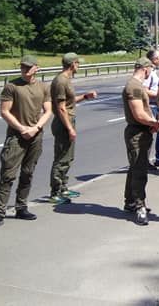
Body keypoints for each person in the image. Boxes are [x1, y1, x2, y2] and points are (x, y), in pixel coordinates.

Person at [0, 56, 53, 230]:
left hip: (36, 135)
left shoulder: (43, 87)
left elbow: (48, 111)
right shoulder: (12, 86)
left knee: (28, 173)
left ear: (36, 68)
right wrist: (22, 128)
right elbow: (4, 111)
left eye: (28, 67)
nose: (24, 70)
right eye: (23, 67)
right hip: (17, 136)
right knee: (8, 175)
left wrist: (36, 127)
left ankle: (21, 207)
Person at [48, 53, 98, 204]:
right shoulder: (61, 81)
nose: (79, 66)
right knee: (61, 159)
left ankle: (63, 188)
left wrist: (85, 96)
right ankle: (55, 192)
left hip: (68, 121)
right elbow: (61, 108)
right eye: (78, 63)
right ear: (73, 64)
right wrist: (70, 128)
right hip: (63, 123)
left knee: (68, 158)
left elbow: (69, 102)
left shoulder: (66, 80)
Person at [122, 57, 159, 225]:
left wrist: (151, 123)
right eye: (150, 70)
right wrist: (155, 123)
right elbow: (139, 114)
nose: (150, 73)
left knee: (135, 167)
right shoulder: (134, 87)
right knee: (139, 171)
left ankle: (130, 201)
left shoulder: (137, 86)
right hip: (137, 133)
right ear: (146, 69)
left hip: (142, 131)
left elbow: (144, 110)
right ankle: (140, 206)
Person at [144, 50, 159, 167]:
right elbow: (144, 90)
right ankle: (145, 161)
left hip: (155, 105)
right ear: (153, 60)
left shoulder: (153, 71)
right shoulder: (148, 72)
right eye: (158, 58)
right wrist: (158, 95)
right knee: (147, 135)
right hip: (150, 106)